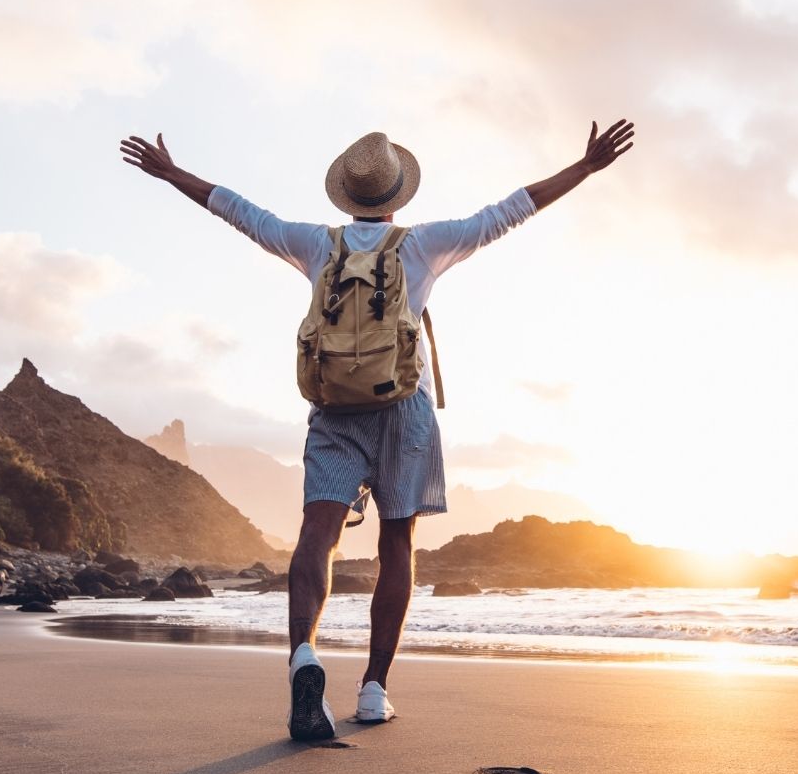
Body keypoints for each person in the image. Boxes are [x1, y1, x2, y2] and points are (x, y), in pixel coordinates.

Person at [120, 120, 635, 740]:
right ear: (395, 197)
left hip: (335, 409)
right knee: (397, 543)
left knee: (319, 531)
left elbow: (239, 211)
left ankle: (304, 658)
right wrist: (583, 169)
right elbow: (509, 212)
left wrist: (173, 173)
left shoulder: (315, 244)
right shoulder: (424, 245)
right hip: (403, 409)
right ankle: (372, 690)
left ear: (347, 194)